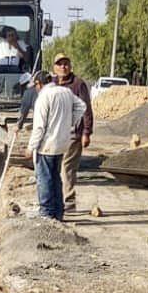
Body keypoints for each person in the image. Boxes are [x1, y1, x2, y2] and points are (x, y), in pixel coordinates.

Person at [25, 70, 88, 221]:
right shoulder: (65, 92)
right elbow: (81, 106)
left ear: (39, 84)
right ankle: (58, 212)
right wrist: (70, 122)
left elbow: (39, 127)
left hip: (47, 145)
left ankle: (46, 212)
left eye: (36, 86)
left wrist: (31, 147)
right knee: (56, 177)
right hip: (61, 143)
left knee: (45, 178)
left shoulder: (43, 98)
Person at [51, 54, 93, 213]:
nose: (63, 67)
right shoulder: (52, 84)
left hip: (72, 133)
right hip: (55, 133)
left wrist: (86, 132)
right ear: (54, 67)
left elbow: (86, 109)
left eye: (66, 64)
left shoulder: (78, 84)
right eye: (59, 64)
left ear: (70, 66)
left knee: (67, 168)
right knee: (55, 167)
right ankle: (57, 200)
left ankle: (68, 202)